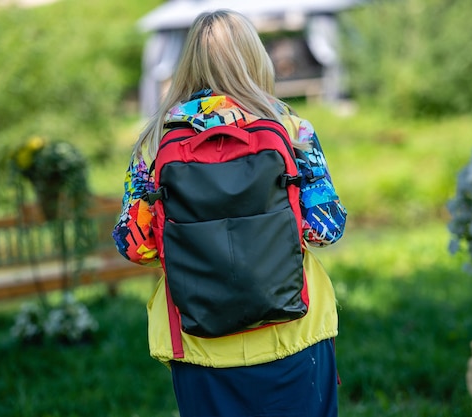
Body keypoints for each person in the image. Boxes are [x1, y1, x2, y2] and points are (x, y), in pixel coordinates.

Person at [112, 9, 347, 417]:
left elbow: (134, 246)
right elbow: (326, 228)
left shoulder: (154, 143)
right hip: (293, 332)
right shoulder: (292, 129)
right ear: (255, 58)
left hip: (199, 341)